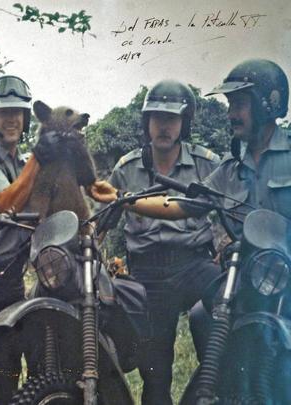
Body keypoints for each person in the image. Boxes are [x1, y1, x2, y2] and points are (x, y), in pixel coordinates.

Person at [102, 79, 220, 405]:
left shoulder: (207, 164)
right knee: (155, 375)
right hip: (148, 275)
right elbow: (101, 221)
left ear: (185, 122)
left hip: (194, 264)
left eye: (171, 119)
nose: (164, 126)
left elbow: (231, 211)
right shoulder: (126, 169)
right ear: (146, 123)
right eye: (157, 118)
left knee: (231, 306)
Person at [92, 59, 290, 239]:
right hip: (248, 272)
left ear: (266, 105)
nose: (230, 114)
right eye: (230, 105)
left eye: (239, 105)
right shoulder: (230, 167)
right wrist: (120, 197)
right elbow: (178, 206)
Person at [0, 74, 66, 404]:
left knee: (12, 369)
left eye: (18, 112)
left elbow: (44, 209)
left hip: (12, 281)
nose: (11, 119)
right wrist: (39, 156)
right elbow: (8, 203)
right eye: (3, 112)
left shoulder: (22, 163)